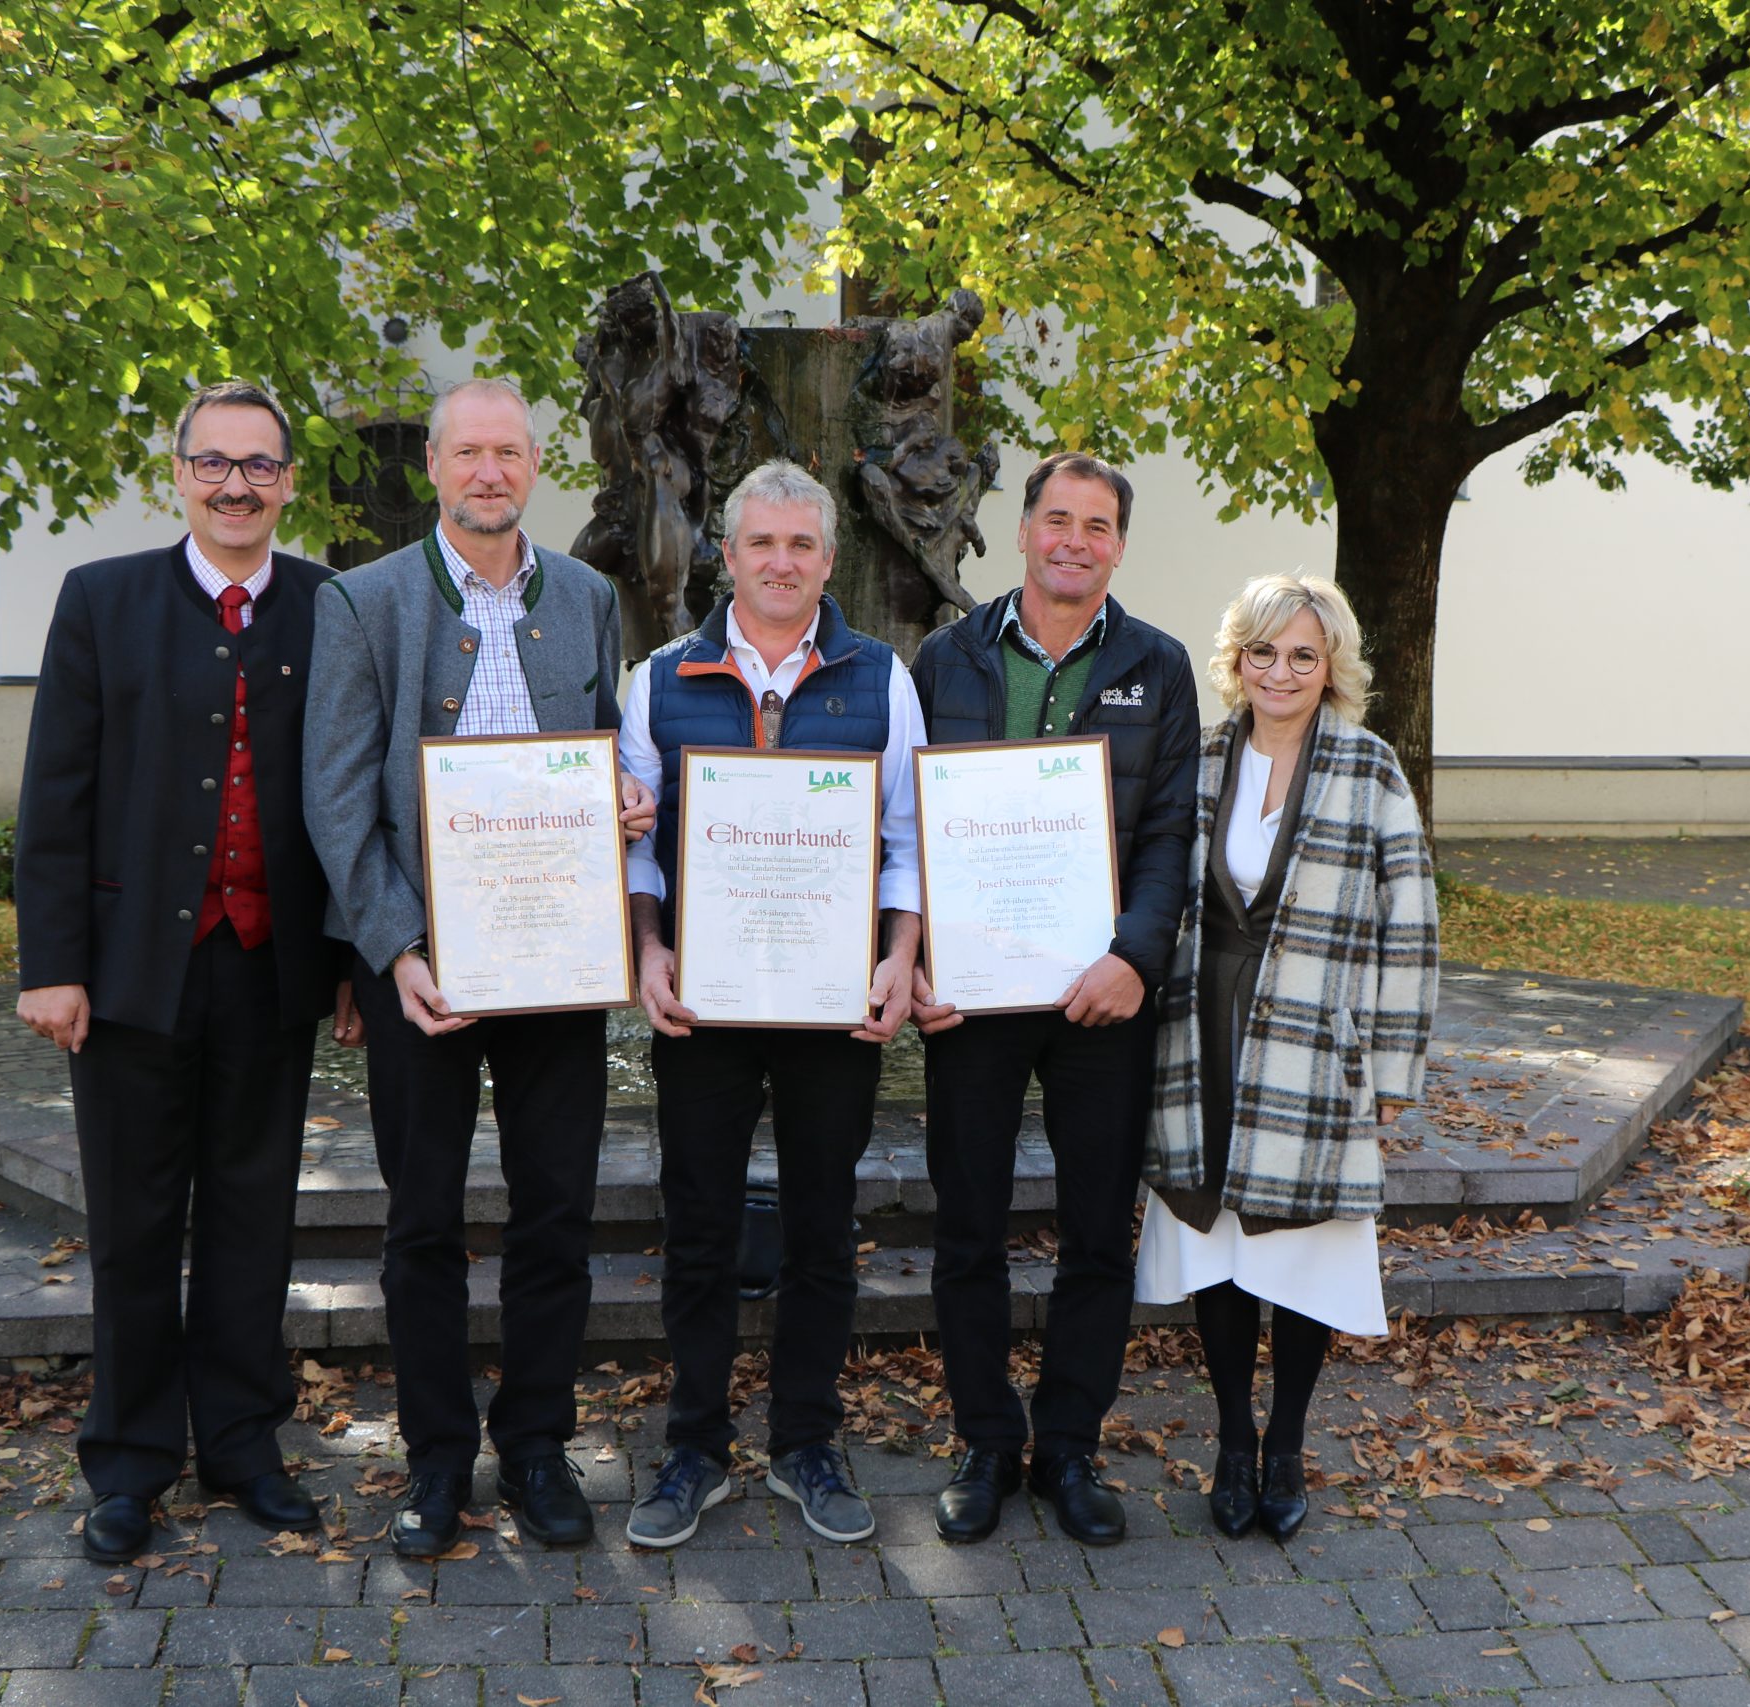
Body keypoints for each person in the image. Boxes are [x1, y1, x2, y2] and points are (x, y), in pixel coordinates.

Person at [303, 377, 651, 1558]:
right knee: (423, 1222)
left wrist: (623, 795)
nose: (489, 472)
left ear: (535, 465)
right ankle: (437, 1459)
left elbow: (600, 743)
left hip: (557, 957)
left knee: (556, 1212)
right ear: (435, 468)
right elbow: (336, 798)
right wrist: (393, 948)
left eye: (509, 452)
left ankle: (539, 1447)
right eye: (468, 453)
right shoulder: (364, 602)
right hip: (425, 966)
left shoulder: (589, 597)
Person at [15, 380, 361, 1565]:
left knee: (253, 1221)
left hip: (273, 966)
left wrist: (354, 959)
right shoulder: (100, 600)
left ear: (288, 482)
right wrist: (52, 964)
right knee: (133, 1224)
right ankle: (128, 1464)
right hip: (128, 972)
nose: (235, 485)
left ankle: (245, 1448)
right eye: (212, 462)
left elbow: (350, 793)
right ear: (178, 475)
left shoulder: (330, 606)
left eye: (258, 465)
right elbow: (55, 793)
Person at [617, 459, 924, 1548]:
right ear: (728, 555)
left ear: (829, 561)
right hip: (703, 1001)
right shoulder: (659, 678)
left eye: (801, 545)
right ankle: (694, 1446)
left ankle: (805, 1441)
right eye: (762, 543)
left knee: (822, 1229)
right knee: (699, 1229)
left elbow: (907, 841)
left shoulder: (881, 677)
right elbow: (636, 843)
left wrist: (900, 958)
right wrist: (647, 948)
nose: (781, 563)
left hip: (831, 1002)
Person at [909, 452, 1200, 1546]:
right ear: (1024, 528)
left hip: (1103, 998)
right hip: (974, 997)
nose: (1075, 540)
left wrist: (1135, 957)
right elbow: (906, 823)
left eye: (1098, 524)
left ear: (1119, 545)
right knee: (967, 1229)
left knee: (1095, 1235)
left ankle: (1069, 1445)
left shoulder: (1159, 665)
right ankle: (986, 1442)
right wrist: (917, 955)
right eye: (1058, 519)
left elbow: (1170, 830)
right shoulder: (946, 656)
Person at [1134, 574, 1437, 1542]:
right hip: (1203, 1031)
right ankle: (1233, 1438)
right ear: (1237, 659)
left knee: (1302, 1250)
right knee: (1219, 1244)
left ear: (1331, 666)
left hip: (1314, 1040)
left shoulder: (1369, 768)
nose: (1281, 671)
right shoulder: (1200, 757)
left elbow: (1411, 925)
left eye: (1303, 654)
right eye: (1262, 651)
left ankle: (1287, 1443)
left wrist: (1392, 1070)